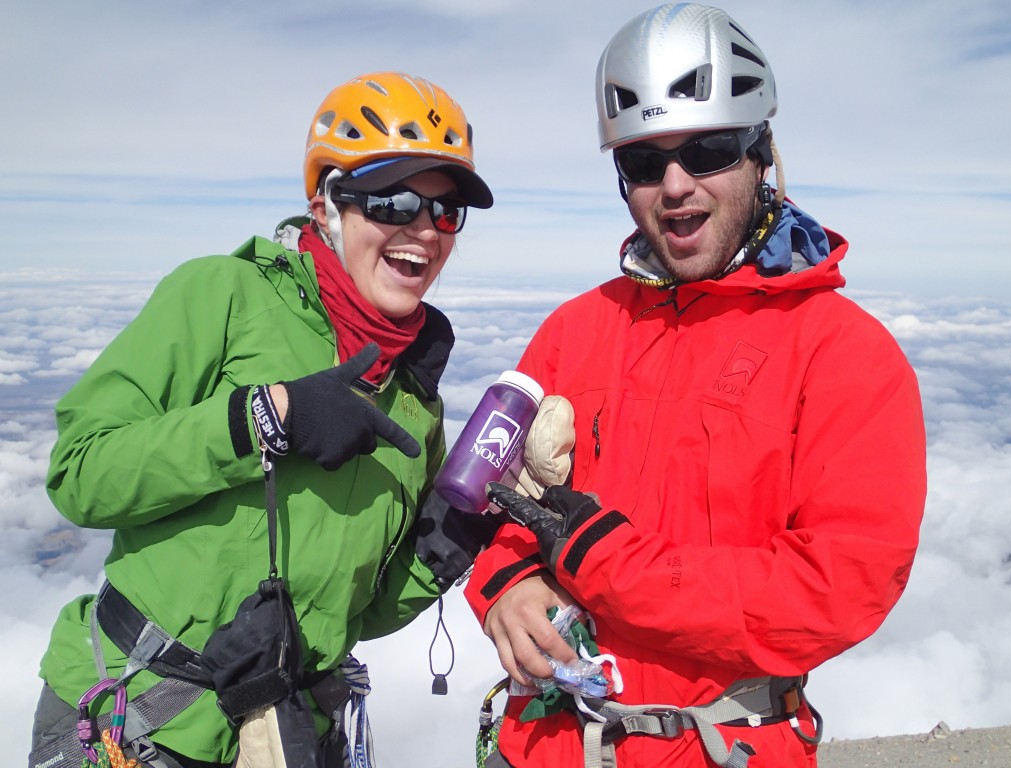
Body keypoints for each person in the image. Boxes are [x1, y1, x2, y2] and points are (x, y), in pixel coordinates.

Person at [467, 5, 927, 768]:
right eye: (644, 164)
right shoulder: (575, 330)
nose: (674, 186)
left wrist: (605, 561)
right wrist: (504, 584)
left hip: (725, 748)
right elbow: (500, 506)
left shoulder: (845, 354)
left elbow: (840, 586)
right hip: (549, 747)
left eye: (708, 151)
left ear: (760, 152)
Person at [28, 71, 497, 768]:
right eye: (395, 200)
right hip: (138, 721)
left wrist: (445, 550)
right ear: (327, 205)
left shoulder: (411, 400)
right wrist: (264, 419)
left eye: (446, 210)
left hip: (287, 735)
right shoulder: (223, 293)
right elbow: (80, 473)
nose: (424, 230)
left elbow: (357, 615)